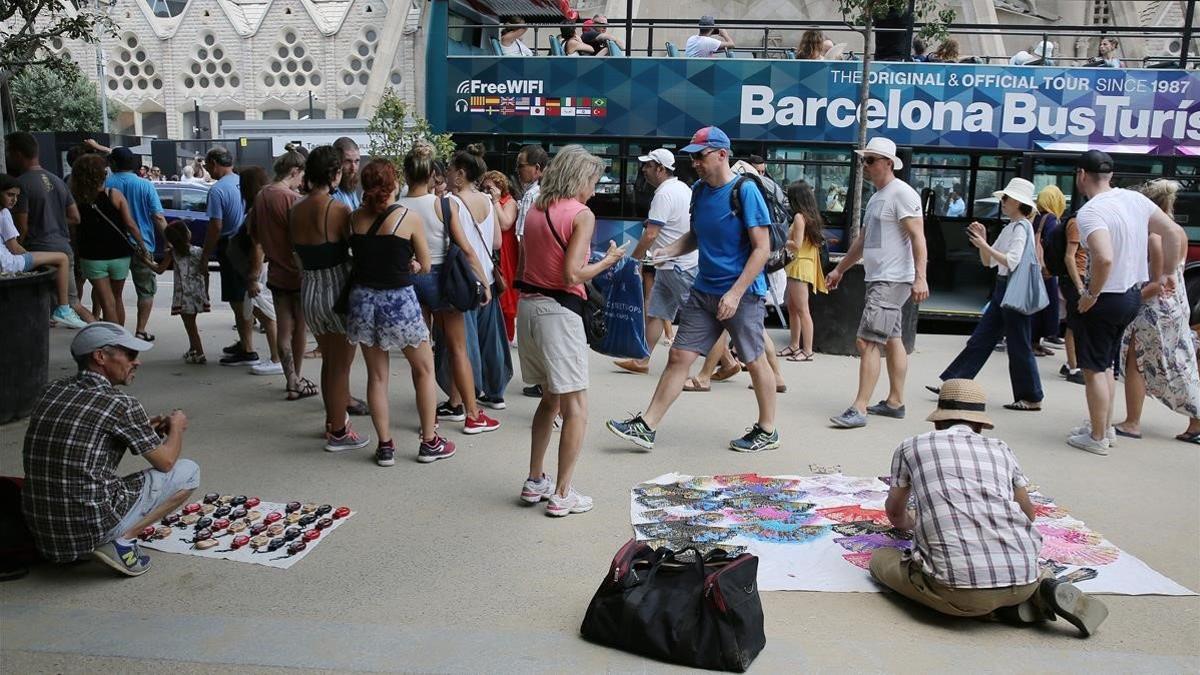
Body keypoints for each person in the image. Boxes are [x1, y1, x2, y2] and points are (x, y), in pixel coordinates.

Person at [872, 379, 1109, 637]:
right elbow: (1027, 514)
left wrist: (915, 522)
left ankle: (988, 610)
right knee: (1016, 572)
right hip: (1024, 579)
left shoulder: (911, 446)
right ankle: (1035, 593)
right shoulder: (1000, 448)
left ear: (938, 422)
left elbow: (896, 515)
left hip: (957, 590)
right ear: (980, 425)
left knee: (881, 560)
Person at [607, 126, 780, 453]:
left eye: (700, 156)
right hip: (704, 289)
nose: (695, 163)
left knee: (755, 360)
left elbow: (761, 248)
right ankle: (648, 425)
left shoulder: (745, 191)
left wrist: (735, 293)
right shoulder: (699, 190)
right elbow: (697, 235)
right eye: (693, 157)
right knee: (678, 356)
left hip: (741, 293)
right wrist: (668, 251)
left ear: (722, 155)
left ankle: (768, 429)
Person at [22, 322, 199, 576]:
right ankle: (122, 540)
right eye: (130, 354)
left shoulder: (51, 391)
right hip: (90, 525)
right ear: (100, 356)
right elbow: (166, 462)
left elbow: (86, 432)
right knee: (188, 471)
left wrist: (143, 428)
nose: (136, 363)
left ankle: (97, 542)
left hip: (45, 530)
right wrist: (177, 428)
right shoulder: (121, 404)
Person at [516, 145, 626, 515]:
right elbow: (572, 275)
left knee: (550, 399)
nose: (595, 190)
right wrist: (608, 260)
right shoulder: (581, 214)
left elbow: (531, 263)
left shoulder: (534, 208)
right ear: (580, 178)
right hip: (559, 314)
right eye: (593, 181)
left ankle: (535, 480)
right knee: (576, 405)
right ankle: (563, 494)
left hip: (529, 308)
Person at [1067, 150, 1185, 455]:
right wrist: (1170, 272)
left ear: (1081, 175)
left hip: (1105, 297)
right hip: (1132, 296)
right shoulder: (1135, 200)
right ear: (1110, 175)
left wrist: (1090, 295)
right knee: (1107, 364)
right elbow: (1173, 231)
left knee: (1093, 367)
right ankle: (1104, 428)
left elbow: (1104, 258)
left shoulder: (1091, 212)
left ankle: (1096, 437)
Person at [347, 158, 453, 466]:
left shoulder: (354, 219)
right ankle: (430, 441)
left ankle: (385, 446)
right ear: (393, 184)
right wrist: (414, 265)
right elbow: (425, 264)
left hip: (364, 301)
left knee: (377, 376)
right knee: (423, 369)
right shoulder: (407, 218)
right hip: (398, 301)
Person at [398, 144, 500, 434]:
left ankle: (428, 421)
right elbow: (466, 249)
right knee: (457, 348)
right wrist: (482, 281)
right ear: (432, 175)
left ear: (406, 174)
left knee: (423, 353)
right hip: (443, 280)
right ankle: (472, 413)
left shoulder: (397, 208)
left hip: (411, 279)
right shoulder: (443, 205)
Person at [827, 137, 929, 429]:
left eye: (870, 160)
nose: (865, 166)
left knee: (868, 340)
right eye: (864, 160)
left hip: (890, 279)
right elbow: (863, 241)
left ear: (888, 163)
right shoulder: (877, 197)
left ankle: (859, 408)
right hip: (883, 278)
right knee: (892, 338)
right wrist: (840, 270)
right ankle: (895, 401)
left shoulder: (902, 194)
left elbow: (918, 237)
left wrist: (920, 276)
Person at [933, 178, 1044, 411]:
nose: (1002, 201)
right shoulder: (1011, 227)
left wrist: (983, 243)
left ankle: (1031, 396)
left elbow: (1010, 261)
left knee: (1017, 344)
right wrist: (982, 242)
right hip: (1004, 288)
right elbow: (989, 262)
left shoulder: (1021, 227)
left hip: (1011, 289)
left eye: (1006, 198)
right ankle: (954, 383)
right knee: (983, 338)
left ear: (1017, 202)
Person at [290, 145, 371, 453]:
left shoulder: (295, 208)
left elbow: (294, 252)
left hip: (310, 289)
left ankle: (332, 420)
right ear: (335, 173)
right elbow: (356, 250)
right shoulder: (337, 209)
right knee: (341, 366)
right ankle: (339, 430)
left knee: (329, 362)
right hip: (336, 290)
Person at [1115, 179, 1200, 444]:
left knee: (1136, 362)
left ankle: (1132, 422)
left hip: (1153, 308)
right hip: (1175, 305)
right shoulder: (1178, 232)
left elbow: (1155, 283)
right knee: (1180, 362)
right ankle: (1195, 422)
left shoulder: (1153, 235)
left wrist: (1126, 299)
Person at [436, 145, 513, 413]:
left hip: (464, 280)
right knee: (489, 339)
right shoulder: (487, 201)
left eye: (448, 169)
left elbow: (459, 246)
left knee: (459, 345)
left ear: (460, 174)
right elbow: (495, 242)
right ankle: (495, 392)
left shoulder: (451, 203)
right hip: (489, 278)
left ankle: (457, 402)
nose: (445, 174)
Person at [615, 148, 697, 375]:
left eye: (648, 166)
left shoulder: (663, 194)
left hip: (677, 266)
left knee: (700, 317)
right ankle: (641, 360)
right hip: (671, 264)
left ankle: (728, 360)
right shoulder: (682, 188)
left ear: (661, 169)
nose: (644, 170)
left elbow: (650, 234)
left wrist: (633, 260)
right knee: (656, 311)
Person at [5, 131, 93, 324]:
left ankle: (105, 339)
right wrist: (53, 221)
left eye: (9, 152)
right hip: (63, 247)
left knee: (54, 306)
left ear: (18, 154)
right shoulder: (57, 180)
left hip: (38, 252)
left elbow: (22, 226)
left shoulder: (20, 185)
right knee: (72, 304)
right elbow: (75, 217)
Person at [249, 146, 315, 398]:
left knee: (283, 328)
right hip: (297, 273)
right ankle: (296, 377)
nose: (302, 182)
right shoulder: (292, 200)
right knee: (300, 329)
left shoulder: (261, 196)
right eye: (301, 176)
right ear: (294, 171)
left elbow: (254, 234)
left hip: (275, 272)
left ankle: (290, 380)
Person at [70, 154, 148, 327]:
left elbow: (73, 230)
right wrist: (142, 246)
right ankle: (120, 338)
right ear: (102, 174)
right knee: (117, 298)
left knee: (107, 302)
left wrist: (75, 253)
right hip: (119, 254)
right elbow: (130, 225)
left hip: (91, 256)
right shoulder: (114, 194)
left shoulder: (75, 199)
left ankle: (114, 342)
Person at [0, 175, 87, 327]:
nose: (14, 200)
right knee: (62, 258)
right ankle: (64, 310)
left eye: (16, 196)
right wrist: (33, 259)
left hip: (6, 263)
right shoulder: (4, 213)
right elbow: (14, 248)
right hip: (9, 263)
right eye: (9, 195)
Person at [196, 147, 254, 366]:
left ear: (213, 163)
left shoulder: (218, 190)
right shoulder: (244, 182)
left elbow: (215, 226)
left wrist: (205, 255)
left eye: (207, 165)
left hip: (230, 246)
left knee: (238, 300)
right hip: (247, 244)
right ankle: (244, 342)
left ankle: (248, 349)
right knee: (243, 296)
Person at [106, 147, 168, 342]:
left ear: (113, 164)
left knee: (115, 293)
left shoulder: (106, 184)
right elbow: (157, 216)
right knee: (146, 290)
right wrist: (168, 241)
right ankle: (140, 330)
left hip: (115, 247)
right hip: (143, 245)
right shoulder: (145, 185)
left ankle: (118, 333)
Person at [238, 167, 284, 376]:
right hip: (268, 265)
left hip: (261, 268)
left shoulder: (257, 208)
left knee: (265, 312)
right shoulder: (268, 203)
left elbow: (258, 245)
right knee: (264, 312)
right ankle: (277, 356)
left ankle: (276, 357)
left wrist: (253, 277)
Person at [515, 144, 550, 396]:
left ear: (537, 169)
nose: (518, 171)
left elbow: (523, 237)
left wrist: (521, 273)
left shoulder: (532, 195)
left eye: (521, 166)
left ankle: (543, 383)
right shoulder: (541, 192)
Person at [778, 181, 827, 362]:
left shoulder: (799, 217)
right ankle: (794, 345)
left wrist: (781, 238)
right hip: (801, 265)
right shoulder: (809, 216)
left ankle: (807, 350)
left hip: (798, 266)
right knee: (793, 307)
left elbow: (796, 245)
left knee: (801, 309)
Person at [153, 221, 210, 363]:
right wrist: (206, 292)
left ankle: (200, 354)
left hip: (183, 296)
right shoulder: (199, 251)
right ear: (187, 235)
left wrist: (147, 261)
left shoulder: (173, 253)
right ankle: (193, 349)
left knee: (190, 327)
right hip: (197, 294)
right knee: (191, 324)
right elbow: (206, 273)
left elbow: (160, 270)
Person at [482, 170, 520, 343]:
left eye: (491, 187)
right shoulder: (484, 201)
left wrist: (496, 201)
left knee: (506, 288)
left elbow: (505, 223)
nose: (487, 190)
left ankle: (508, 334)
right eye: (485, 187)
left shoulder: (509, 202)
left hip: (506, 250)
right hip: (492, 249)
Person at [1031, 186, 1066, 357]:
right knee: (1045, 307)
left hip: (1036, 267)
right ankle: (1034, 343)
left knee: (1038, 306)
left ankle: (1036, 342)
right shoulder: (1051, 219)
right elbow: (1053, 245)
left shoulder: (1035, 216)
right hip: (1046, 270)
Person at [1057, 210, 1088, 385]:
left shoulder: (1080, 222)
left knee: (1077, 322)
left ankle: (1071, 363)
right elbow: (1070, 257)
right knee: (1074, 323)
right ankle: (1073, 368)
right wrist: (1079, 286)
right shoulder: (1076, 223)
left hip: (1080, 277)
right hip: (1076, 278)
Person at [331, 137, 362, 209]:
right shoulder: (329, 193)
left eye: (356, 161)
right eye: (348, 161)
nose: (353, 168)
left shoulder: (350, 187)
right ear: (336, 162)